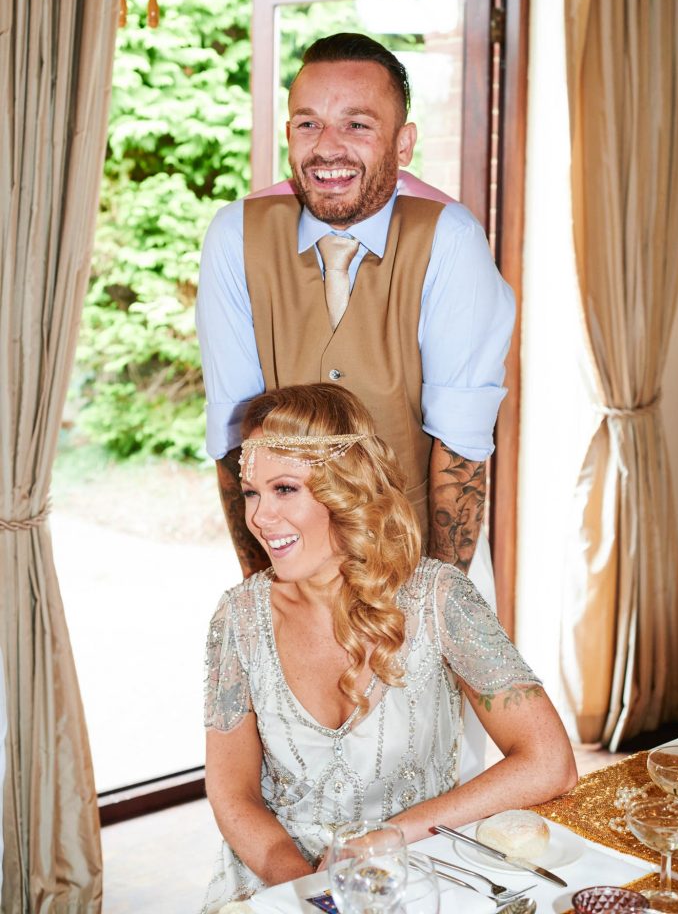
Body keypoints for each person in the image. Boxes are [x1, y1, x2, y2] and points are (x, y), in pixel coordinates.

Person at [201, 384, 577, 911]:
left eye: (284, 489)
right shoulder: (237, 618)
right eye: (252, 493)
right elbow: (231, 793)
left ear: (342, 488)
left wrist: (385, 840)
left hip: (418, 869)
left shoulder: (439, 600)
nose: (260, 518)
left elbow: (549, 762)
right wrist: (306, 890)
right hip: (276, 879)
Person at [195, 32, 515, 583]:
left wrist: (436, 608)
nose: (327, 147)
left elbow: (460, 451)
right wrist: (263, 592)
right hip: (287, 565)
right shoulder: (233, 236)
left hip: (426, 561)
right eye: (308, 122)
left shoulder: (449, 239)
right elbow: (233, 436)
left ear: (403, 143)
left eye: (357, 124)